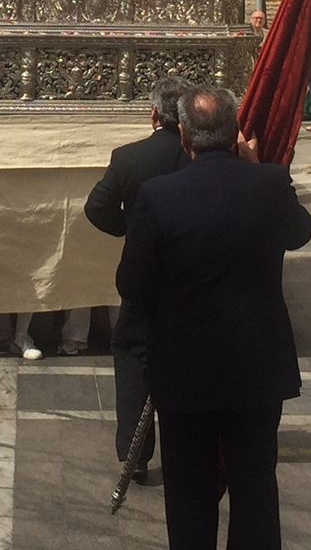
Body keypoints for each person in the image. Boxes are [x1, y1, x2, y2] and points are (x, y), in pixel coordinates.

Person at [116, 85, 311, 550]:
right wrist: (257, 167)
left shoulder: (157, 196)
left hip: (186, 367)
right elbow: (300, 232)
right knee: (255, 484)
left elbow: (132, 285)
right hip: (257, 366)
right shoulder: (268, 183)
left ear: (184, 135)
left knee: (188, 490)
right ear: (234, 133)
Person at [84, 74, 191, 485]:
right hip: (195, 275)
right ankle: (188, 445)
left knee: (134, 358)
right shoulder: (200, 154)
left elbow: (97, 208)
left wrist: (131, 228)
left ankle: (135, 451)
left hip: (145, 274)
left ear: (153, 115)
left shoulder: (130, 158)